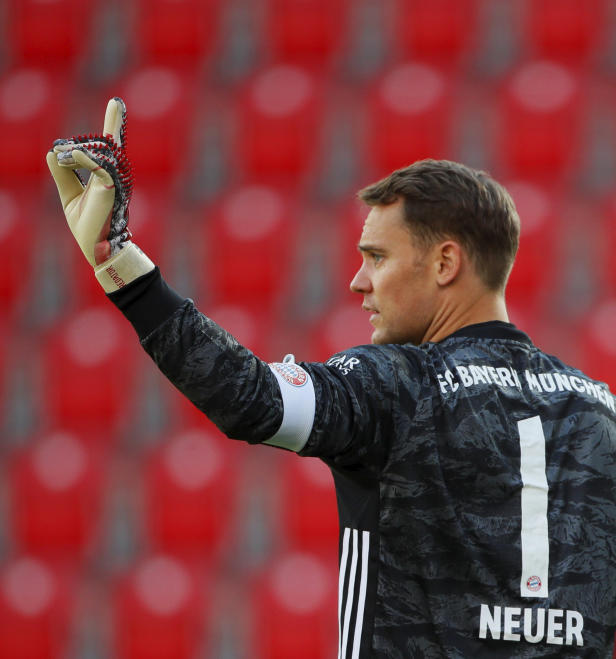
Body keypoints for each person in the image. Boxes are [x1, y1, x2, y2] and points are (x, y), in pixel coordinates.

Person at [45, 98, 616, 657]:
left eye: (377, 257)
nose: (357, 282)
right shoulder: (602, 414)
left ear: (445, 264)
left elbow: (252, 398)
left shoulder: (399, 386)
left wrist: (118, 262)